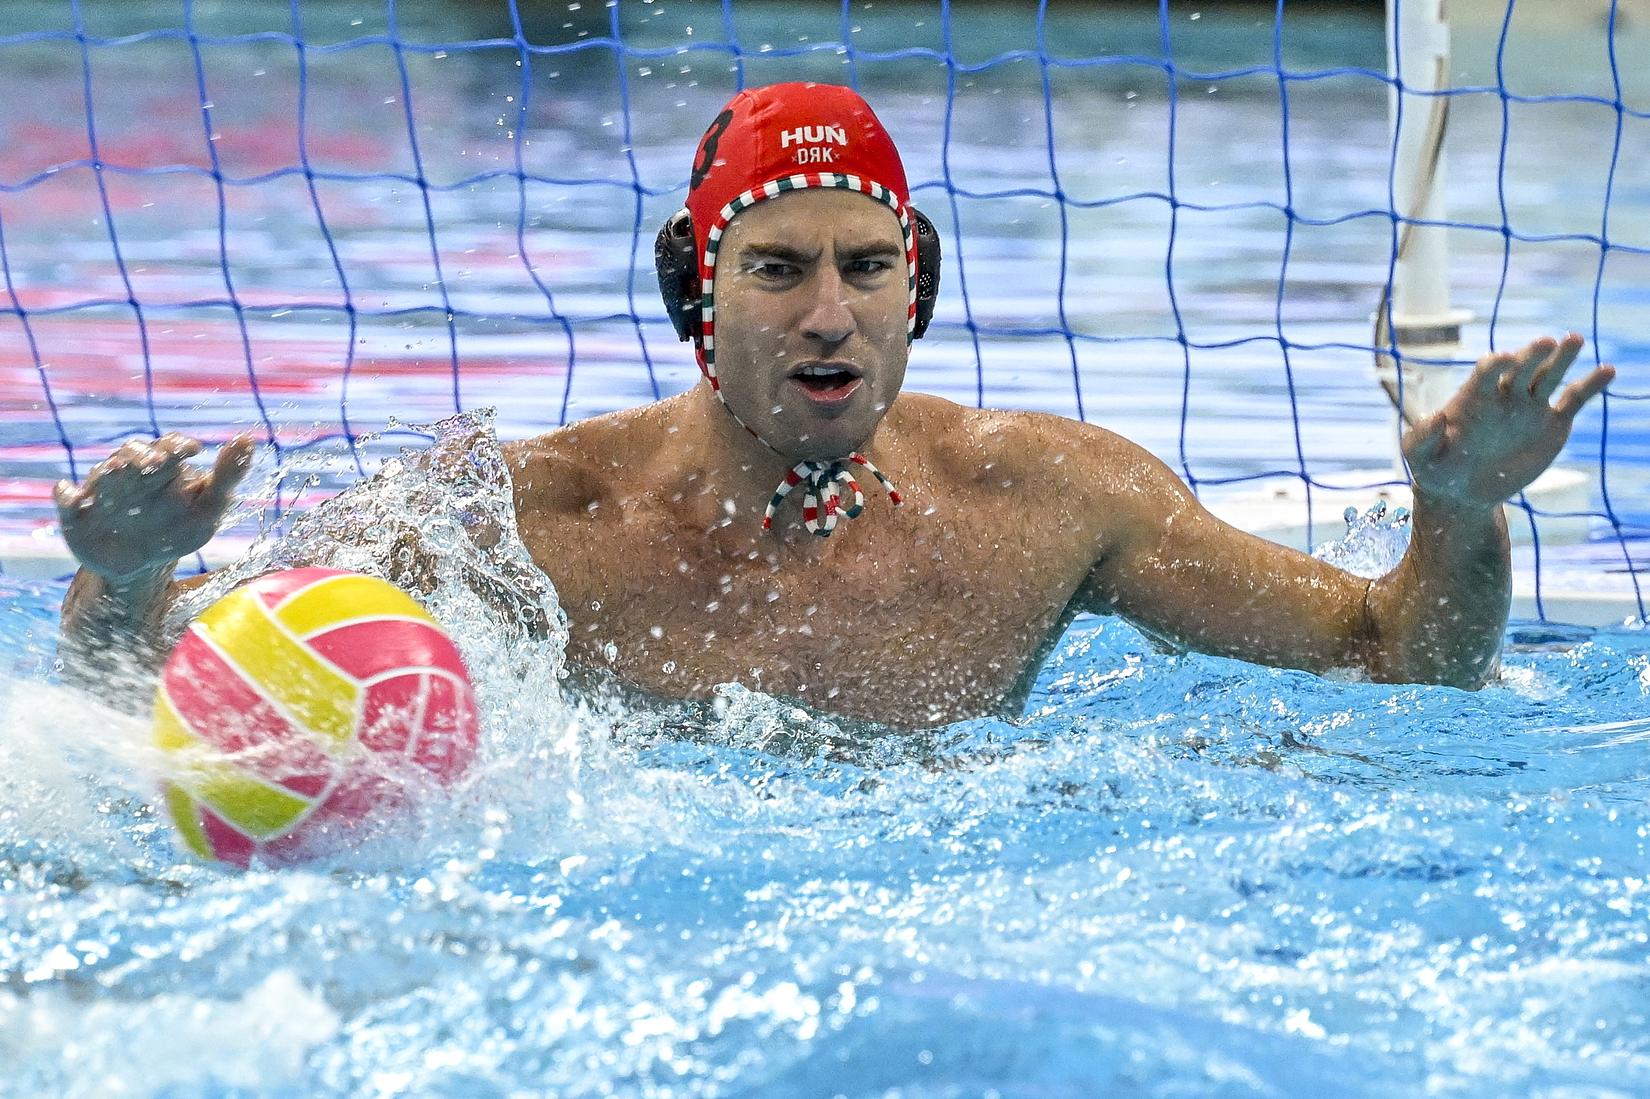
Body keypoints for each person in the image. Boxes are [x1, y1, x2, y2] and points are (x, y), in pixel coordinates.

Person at [56, 82, 1615, 729]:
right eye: (777, 269)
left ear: (912, 287)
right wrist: (122, 579)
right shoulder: (520, 517)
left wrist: (1458, 511)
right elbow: (155, 684)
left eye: (867, 268)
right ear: (695, 293)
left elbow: (1397, 660)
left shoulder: (1047, 500)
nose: (828, 314)